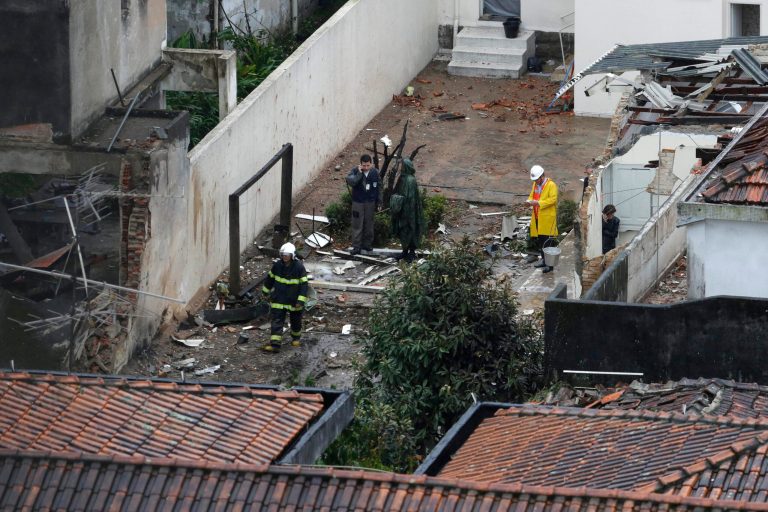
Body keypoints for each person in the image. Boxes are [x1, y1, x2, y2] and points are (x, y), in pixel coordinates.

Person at [261, 242, 308, 353]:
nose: (285, 257)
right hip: (279, 299)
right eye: (283, 255)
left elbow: (304, 285)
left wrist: (300, 301)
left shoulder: (299, 267)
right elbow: (270, 279)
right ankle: (275, 345)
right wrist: (265, 291)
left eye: (287, 255)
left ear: (292, 255)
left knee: (295, 321)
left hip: (294, 300)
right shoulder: (277, 265)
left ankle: (296, 338)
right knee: (276, 321)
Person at [390, 158, 427, 262]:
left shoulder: (410, 180)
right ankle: (405, 251)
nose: (400, 168)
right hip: (402, 210)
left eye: (402, 166)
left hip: (410, 211)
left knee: (410, 230)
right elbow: (398, 191)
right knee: (403, 231)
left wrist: (401, 201)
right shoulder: (402, 178)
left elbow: (410, 197)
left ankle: (411, 252)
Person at [525, 164, 559, 273]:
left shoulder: (551, 185)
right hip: (538, 217)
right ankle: (544, 260)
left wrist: (539, 203)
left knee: (548, 242)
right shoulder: (535, 185)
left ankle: (550, 265)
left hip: (547, 219)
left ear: (542, 176)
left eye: (536, 179)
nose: (535, 181)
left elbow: (553, 200)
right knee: (541, 241)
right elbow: (532, 196)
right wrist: (529, 201)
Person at [346, 154, 380, 255]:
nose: (366, 168)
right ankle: (356, 246)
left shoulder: (375, 172)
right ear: (360, 164)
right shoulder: (354, 171)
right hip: (358, 202)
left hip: (370, 202)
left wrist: (379, 201)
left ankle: (367, 244)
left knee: (369, 224)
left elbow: (379, 188)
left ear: (371, 164)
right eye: (364, 165)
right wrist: (359, 174)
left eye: (368, 165)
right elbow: (352, 182)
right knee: (357, 224)